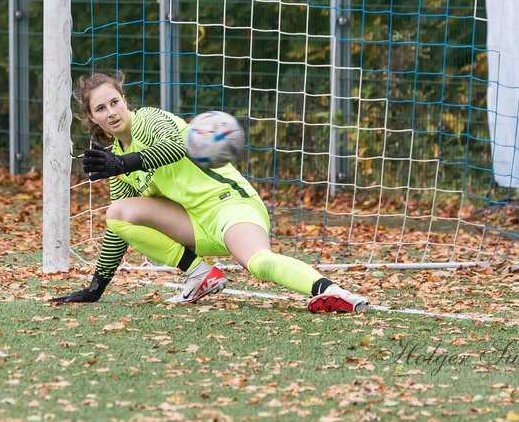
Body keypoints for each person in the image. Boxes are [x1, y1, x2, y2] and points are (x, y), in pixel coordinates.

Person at [49, 72, 369, 314]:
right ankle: (200, 274)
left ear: (124, 100)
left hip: (230, 205)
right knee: (117, 213)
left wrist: (123, 162)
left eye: (114, 102)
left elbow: (175, 147)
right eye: (101, 108)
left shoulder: (148, 120)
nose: (111, 112)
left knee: (257, 262)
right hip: (195, 224)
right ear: (92, 118)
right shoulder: (117, 160)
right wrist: (96, 287)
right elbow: (120, 229)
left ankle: (331, 291)